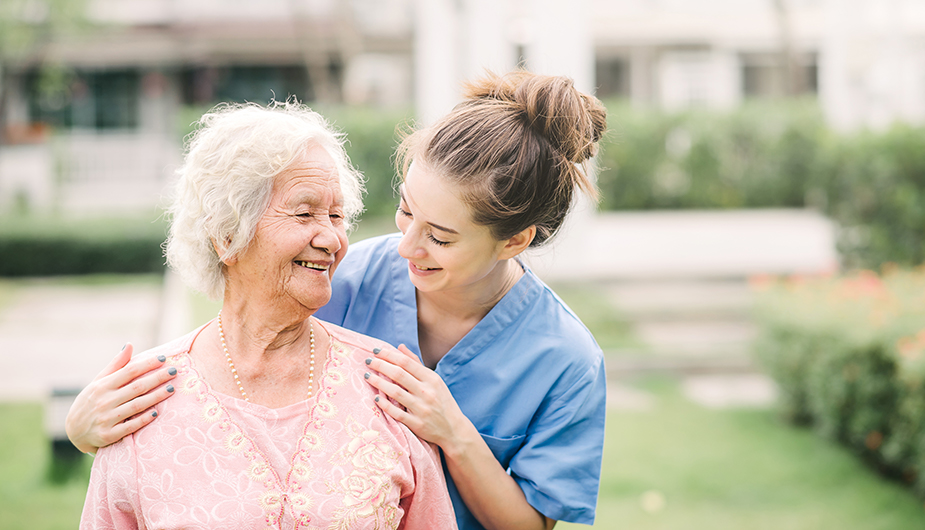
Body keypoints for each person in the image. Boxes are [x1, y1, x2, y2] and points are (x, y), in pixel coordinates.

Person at [70, 70, 607, 530]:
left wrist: (453, 432)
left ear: (514, 241)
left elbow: (534, 524)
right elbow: (244, 330)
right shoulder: (346, 275)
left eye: (440, 237)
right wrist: (87, 427)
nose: (407, 246)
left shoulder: (566, 360)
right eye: (405, 210)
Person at [79, 101, 457, 530]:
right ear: (227, 235)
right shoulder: (142, 401)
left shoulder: (387, 385)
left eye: (337, 215)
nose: (332, 238)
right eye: (304, 212)